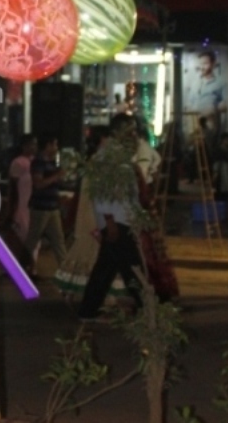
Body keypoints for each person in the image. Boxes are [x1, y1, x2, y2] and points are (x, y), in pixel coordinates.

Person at [78, 114, 144, 320]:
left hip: (121, 219)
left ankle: (87, 310)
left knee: (108, 268)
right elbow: (101, 192)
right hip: (116, 220)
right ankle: (148, 308)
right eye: (130, 130)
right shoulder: (108, 156)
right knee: (131, 268)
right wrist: (109, 221)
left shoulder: (118, 155)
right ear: (118, 131)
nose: (134, 135)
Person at [23, 135, 68, 278]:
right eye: (54, 144)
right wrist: (56, 176)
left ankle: (65, 270)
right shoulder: (38, 162)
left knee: (58, 240)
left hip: (52, 207)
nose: (56, 148)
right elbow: (38, 184)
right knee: (32, 240)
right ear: (47, 146)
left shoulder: (52, 162)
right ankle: (20, 267)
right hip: (40, 208)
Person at [189, 50, 228, 137]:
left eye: (205, 63)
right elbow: (190, 102)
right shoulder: (195, 83)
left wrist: (212, 109)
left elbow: (226, 104)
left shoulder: (221, 83)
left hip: (209, 123)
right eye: (201, 64)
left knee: (207, 143)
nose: (202, 67)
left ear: (213, 64)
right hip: (194, 122)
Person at [8, 133, 37, 246]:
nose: (34, 147)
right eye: (32, 144)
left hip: (32, 206)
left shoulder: (36, 162)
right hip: (21, 207)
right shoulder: (18, 162)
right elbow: (13, 187)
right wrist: (12, 209)